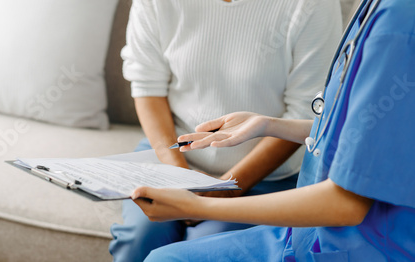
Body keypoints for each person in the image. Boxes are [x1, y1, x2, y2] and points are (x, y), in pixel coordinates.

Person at [131, 0, 415, 260]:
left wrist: (200, 205)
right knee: (144, 243)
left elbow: (349, 202)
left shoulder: (397, 26)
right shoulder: (377, 9)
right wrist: (269, 125)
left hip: (348, 241)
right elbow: (359, 132)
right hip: (313, 230)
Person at [109, 0, 342, 260]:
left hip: (268, 176)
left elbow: (305, 111)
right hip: (169, 158)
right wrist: (180, 178)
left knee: (205, 245)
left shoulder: (312, 5)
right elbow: (147, 87)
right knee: (138, 240)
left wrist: (223, 190)